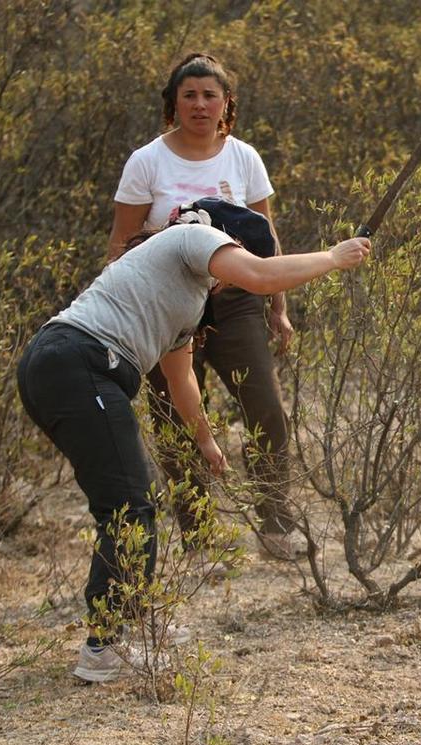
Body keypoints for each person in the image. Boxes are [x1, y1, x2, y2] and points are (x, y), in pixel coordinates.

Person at [19, 199, 370, 682]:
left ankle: (132, 622)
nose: (232, 283)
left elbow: (181, 379)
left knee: (127, 502)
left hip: (65, 368)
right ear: (230, 242)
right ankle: (105, 648)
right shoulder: (193, 236)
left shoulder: (184, 294)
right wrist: (332, 257)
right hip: (80, 363)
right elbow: (263, 277)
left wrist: (205, 441)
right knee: (129, 504)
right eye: (238, 260)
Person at [107, 53, 300, 560]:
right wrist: (122, 319)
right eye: (188, 94)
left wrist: (277, 306)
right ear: (173, 103)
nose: (199, 104)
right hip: (167, 307)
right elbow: (121, 242)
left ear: (225, 104)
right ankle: (198, 537)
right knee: (176, 418)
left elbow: (266, 238)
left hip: (235, 304)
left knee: (266, 410)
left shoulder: (243, 158)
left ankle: (277, 523)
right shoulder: (147, 161)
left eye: (209, 95)